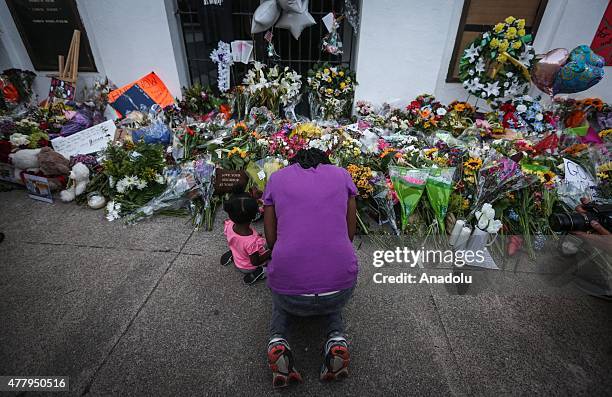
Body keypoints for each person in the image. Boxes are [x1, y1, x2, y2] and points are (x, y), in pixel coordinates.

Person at [262, 148, 358, 387]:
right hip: (339, 288)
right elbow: (350, 233)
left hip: (290, 295)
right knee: (329, 285)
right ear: (326, 163)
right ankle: (336, 341)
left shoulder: (276, 179)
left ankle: (278, 342)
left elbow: (271, 239)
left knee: (281, 284)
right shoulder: (342, 175)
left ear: (294, 164)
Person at [223, 187, 271, 285]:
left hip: (239, 256)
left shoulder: (229, 224)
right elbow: (255, 261)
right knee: (274, 260)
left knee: (241, 246)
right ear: (253, 217)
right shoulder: (251, 242)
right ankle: (261, 271)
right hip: (249, 267)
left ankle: (235, 254)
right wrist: (270, 252)